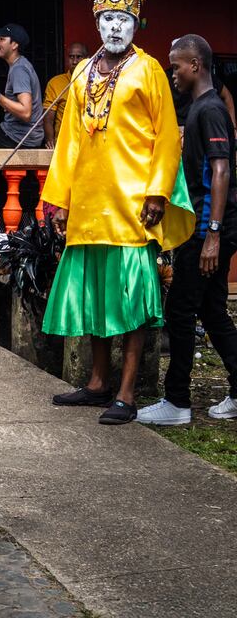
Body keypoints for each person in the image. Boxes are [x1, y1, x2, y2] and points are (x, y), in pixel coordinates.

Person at [42, 0, 193, 424]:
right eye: (106, 19)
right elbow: (67, 141)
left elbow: (167, 137)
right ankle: (96, 383)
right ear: (96, 21)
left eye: (122, 19)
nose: (113, 26)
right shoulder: (83, 70)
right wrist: (60, 198)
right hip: (88, 207)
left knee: (129, 302)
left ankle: (126, 394)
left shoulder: (149, 71)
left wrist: (156, 193)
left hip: (131, 208)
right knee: (94, 298)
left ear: (134, 22)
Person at [138, 35, 237, 425]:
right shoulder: (199, 108)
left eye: (176, 66)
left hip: (209, 230)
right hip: (210, 227)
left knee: (180, 310)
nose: (172, 73)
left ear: (195, 65)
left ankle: (176, 402)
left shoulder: (210, 109)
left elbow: (221, 169)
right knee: (212, 311)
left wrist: (211, 233)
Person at [0, 23, 42, 225]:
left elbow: (25, 112)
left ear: (14, 44)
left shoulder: (19, 70)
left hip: (20, 138)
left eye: (2, 39)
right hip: (14, 133)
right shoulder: (19, 67)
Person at [42, 42, 90, 147]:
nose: (74, 61)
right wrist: (50, 141)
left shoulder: (96, 82)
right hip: (63, 144)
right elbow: (48, 118)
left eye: (79, 57)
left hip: (88, 143)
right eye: (71, 57)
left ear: (88, 59)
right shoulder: (55, 83)